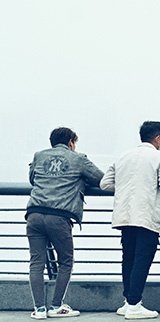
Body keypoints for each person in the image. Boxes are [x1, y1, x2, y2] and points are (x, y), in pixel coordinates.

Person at [26, 127, 105, 320]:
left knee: (36, 262)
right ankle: (56, 306)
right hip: (59, 216)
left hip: (34, 213)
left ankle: (39, 309)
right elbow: (101, 179)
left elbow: (32, 179)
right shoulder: (78, 158)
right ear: (71, 142)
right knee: (66, 261)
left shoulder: (39, 156)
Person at [100, 121, 160, 320]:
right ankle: (134, 304)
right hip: (146, 215)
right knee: (142, 260)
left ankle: (128, 302)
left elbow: (105, 183)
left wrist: (127, 187)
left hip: (125, 215)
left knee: (129, 258)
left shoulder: (124, 156)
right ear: (158, 138)